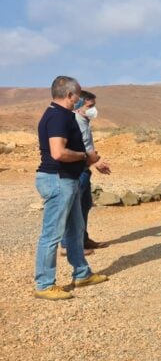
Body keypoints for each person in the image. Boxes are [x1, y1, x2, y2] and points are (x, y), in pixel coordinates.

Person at [34, 76, 109, 300]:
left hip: (69, 179)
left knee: (76, 230)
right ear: (69, 95)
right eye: (77, 94)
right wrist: (86, 156)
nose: (79, 98)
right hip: (58, 179)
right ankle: (44, 284)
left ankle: (82, 273)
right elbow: (58, 153)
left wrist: (89, 161)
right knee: (52, 234)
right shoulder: (57, 117)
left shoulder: (63, 116)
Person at [59, 90, 111, 256]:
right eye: (90, 106)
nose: (93, 109)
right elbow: (72, 147)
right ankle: (69, 245)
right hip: (75, 170)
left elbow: (86, 145)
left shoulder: (84, 121)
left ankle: (82, 239)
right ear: (80, 104)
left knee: (85, 205)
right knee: (74, 208)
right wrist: (93, 160)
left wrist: (94, 162)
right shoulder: (74, 121)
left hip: (84, 169)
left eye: (94, 106)